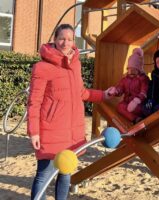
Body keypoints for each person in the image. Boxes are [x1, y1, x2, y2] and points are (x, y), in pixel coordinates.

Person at [27, 24, 110, 200]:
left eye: (70, 39)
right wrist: (34, 132)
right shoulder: (42, 67)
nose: (66, 43)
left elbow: (81, 93)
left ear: (74, 41)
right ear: (55, 40)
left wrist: (104, 95)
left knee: (65, 173)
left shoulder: (76, 64)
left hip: (72, 131)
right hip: (51, 131)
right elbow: (34, 102)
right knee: (44, 175)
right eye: (62, 38)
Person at [108, 48, 149, 123]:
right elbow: (120, 88)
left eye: (133, 70)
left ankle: (140, 116)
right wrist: (115, 91)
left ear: (139, 69)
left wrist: (136, 101)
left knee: (140, 109)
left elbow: (144, 92)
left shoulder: (143, 79)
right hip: (127, 103)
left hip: (138, 104)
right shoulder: (125, 79)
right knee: (120, 107)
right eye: (129, 69)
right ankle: (135, 119)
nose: (131, 72)